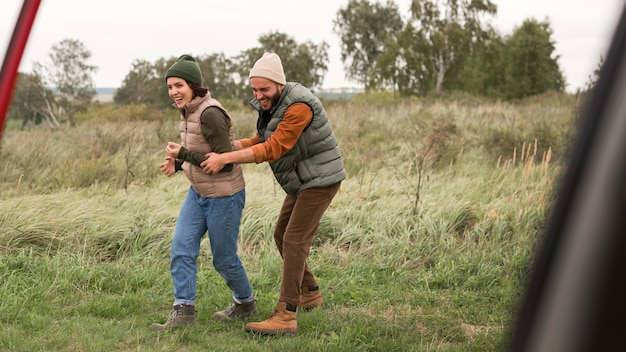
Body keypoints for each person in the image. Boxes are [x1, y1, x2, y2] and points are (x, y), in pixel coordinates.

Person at [200, 52, 346, 336]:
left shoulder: (299, 106)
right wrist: (226, 148)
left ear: (279, 84)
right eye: (254, 90)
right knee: (282, 235)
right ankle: (310, 292)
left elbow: (273, 148)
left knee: (294, 240)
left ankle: (286, 314)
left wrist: (227, 159)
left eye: (264, 89)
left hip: (320, 180)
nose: (259, 95)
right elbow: (261, 138)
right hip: (303, 181)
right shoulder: (274, 105)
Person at [152, 54, 256, 330]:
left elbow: (222, 162)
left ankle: (245, 303)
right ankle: (183, 311)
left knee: (224, 260)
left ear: (193, 85)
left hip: (225, 196)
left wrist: (183, 153)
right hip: (198, 192)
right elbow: (200, 153)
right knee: (181, 249)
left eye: (178, 85)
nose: (173, 92)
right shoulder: (188, 111)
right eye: (170, 87)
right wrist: (178, 163)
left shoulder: (210, 114)